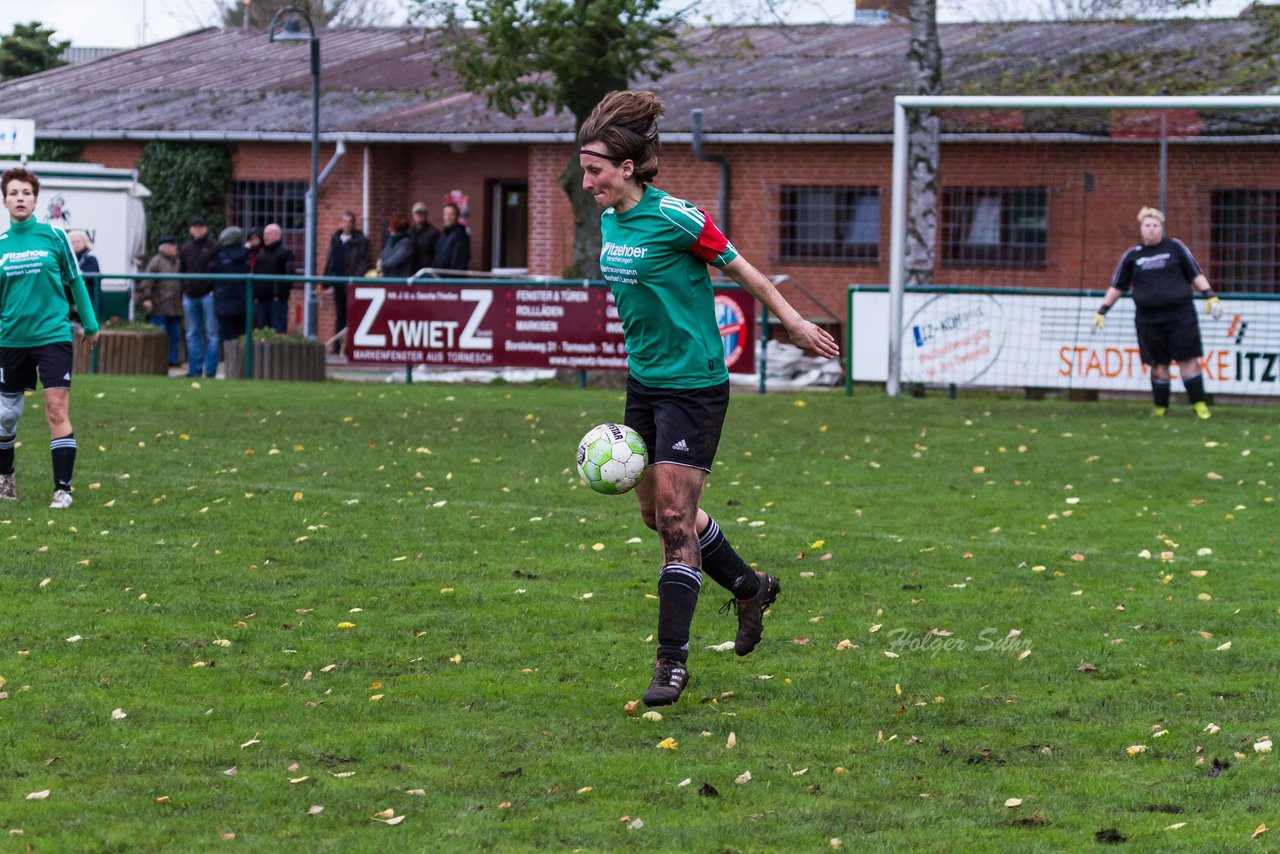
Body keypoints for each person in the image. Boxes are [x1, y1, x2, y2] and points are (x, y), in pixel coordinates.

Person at [577, 91, 839, 707]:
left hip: (693, 385)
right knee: (654, 514)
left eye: (595, 170)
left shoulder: (677, 217)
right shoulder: (611, 218)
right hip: (644, 383)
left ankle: (671, 663)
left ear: (628, 167)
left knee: (674, 521)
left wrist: (794, 322)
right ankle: (749, 587)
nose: (586, 181)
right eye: (585, 169)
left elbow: (745, 270)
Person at [0, 167, 100, 509]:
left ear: (35, 199)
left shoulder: (55, 236)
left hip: (53, 335)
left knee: (56, 408)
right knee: (5, 417)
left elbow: (75, 281)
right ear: (5, 201)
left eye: (26, 193)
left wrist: (89, 323)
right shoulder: (0, 246)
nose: (20, 198)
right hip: (11, 339)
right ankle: (6, 478)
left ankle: (63, 489)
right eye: (13, 193)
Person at [1096, 207, 1221, 419]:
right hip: (1148, 320)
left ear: (1161, 228)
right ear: (1141, 229)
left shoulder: (1175, 247)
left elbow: (1195, 273)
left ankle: (1200, 405)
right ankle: (1161, 407)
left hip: (1181, 316)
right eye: (1148, 226)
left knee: (1188, 360)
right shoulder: (1133, 256)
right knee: (1158, 365)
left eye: (1155, 226)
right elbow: (1118, 286)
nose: (1152, 230)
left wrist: (1210, 295)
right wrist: (1102, 310)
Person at [322, 211, 370, 354]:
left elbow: (363, 262)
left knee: (353, 316)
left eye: (349, 221)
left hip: (351, 283)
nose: (347, 224)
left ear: (353, 224)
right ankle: (337, 348)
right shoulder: (336, 239)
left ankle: (352, 348)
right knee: (340, 316)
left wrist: (355, 278)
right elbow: (330, 259)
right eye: (344, 221)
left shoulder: (360, 241)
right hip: (337, 282)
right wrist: (328, 279)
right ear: (340, 223)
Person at [180, 215, 219, 378]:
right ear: (191, 229)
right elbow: (181, 271)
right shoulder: (186, 248)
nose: (198, 229)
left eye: (200, 226)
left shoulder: (214, 247)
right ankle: (195, 370)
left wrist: (214, 289)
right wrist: (183, 289)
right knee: (192, 334)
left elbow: (218, 269)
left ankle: (210, 370)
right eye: (195, 226)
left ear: (206, 228)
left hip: (208, 295)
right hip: (190, 295)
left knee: (212, 334)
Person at [137, 235, 184, 367]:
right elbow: (147, 282)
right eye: (172, 246)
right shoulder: (156, 261)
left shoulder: (179, 261)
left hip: (175, 306)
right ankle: (157, 361)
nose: (175, 248)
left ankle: (172, 360)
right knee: (159, 334)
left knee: (175, 334)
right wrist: (147, 298)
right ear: (164, 248)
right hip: (159, 305)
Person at [210, 226, 251, 357]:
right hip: (243, 303)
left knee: (228, 339)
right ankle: (243, 367)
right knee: (242, 338)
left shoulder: (219, 257)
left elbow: (210, 270)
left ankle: (232, 367)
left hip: (224, 304)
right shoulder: (247, 256)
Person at [253, 223, 295, 333]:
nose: (265, 237)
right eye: (264, 234)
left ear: (278, 235)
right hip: (261, 300)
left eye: (269, 234)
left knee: (278, 331)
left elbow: (289, 275)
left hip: (277, 300)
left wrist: (280, 292)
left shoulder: (285, 253)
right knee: (262, 332)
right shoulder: (260, 256)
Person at [430, 202, 470, 271]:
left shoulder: (460, 235)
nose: (448, 217)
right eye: (446, 214)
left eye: (452, 214)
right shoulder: (442, 235)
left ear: (457, 216)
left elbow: (458, 262)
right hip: (439, 277)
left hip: (450, 279)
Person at [377, 214, 414, 278]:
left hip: (400, 281)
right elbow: (383, 254)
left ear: (398, 228)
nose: (388, 229)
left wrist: (382, 264)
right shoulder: (390, 240)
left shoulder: (406, 243)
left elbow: (395, 260)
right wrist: (379, 260)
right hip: (387, 278)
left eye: (391, 226)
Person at [409, 201, 440, 272]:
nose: (419, 215)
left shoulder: (434, 233)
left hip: (426, 272)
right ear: (413, 215)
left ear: (426, 215)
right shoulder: (408, 232)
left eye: (421, 213)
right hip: (410, 272)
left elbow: (438, 255)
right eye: (417, 213)